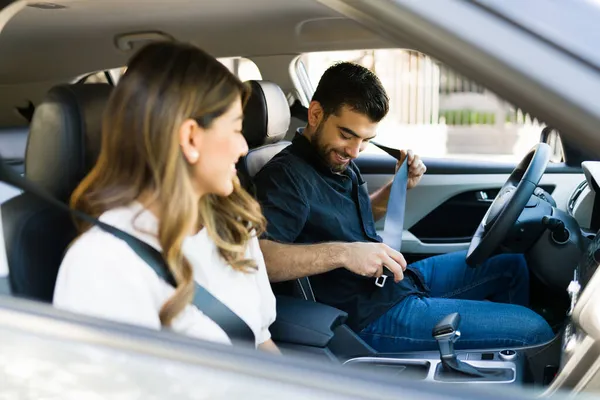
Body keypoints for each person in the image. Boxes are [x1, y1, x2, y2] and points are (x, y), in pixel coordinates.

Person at [253, 62, 554, 353]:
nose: (355, 151)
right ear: (316, 114)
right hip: (368, 315)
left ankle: (504, 360)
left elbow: (350, 219)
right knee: (535, 329)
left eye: (366, 140)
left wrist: (398, 187)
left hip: (392, 282)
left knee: (511, 264)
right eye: (347, 134)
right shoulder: (285, 177)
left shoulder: (335, 160)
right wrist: (344, 253)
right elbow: (260, 258)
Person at [53, 41, 279, 353]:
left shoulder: (233, 224)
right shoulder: (104, 263)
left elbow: (261, 341)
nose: (243, 148)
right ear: (190, 137)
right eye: (236, 129)